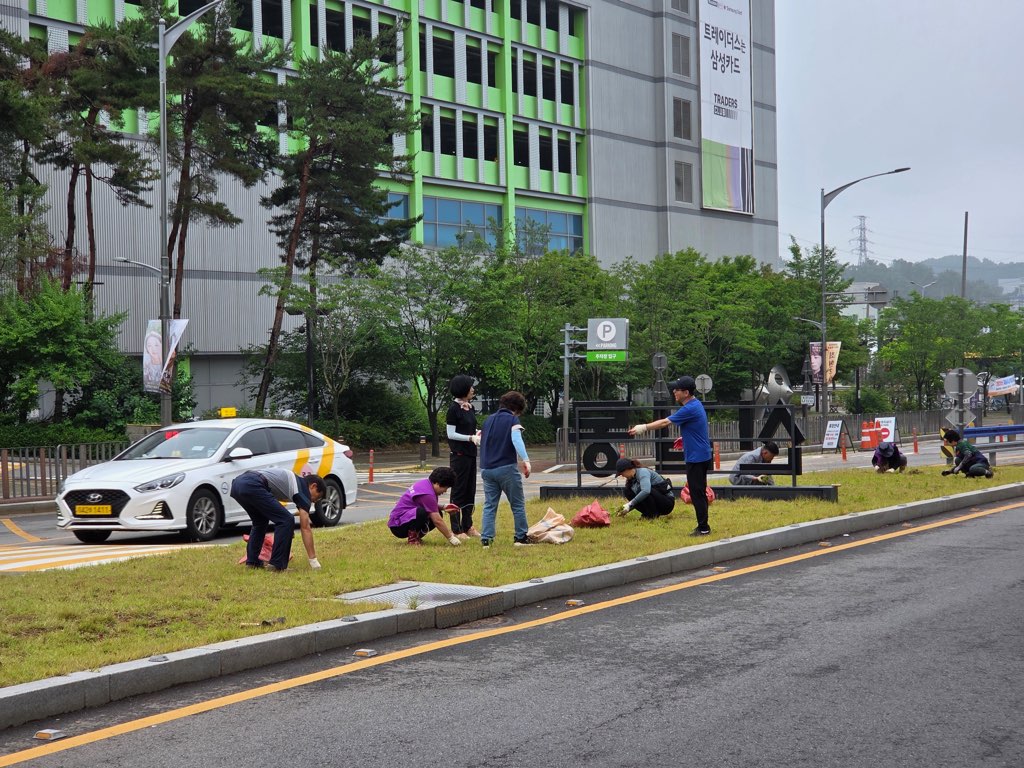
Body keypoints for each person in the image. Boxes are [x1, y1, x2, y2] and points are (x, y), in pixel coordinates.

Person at [629, 375, 713, 536]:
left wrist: (642, 428)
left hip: (697, 457)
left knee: (697, 493)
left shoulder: (689, 408)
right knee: (698, 491)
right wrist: (686, 438)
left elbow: (664, 422)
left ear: (686, 392)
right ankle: (703, 526)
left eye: (677, 389)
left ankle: (703, 528)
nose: (674, 391)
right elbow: (699, 427)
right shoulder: (696, 405)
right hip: (700, 454)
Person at [229, 468, 325, 571]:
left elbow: (273, 505)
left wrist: (287, 531)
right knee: (286, 520)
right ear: (313, 486)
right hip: (253, 484)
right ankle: (277, 565)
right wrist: (313, 560)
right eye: (318, 496)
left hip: (238, 484)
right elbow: (305, 527)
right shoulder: (303, 490)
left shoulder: (294, 483)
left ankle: (252, 563)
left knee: (260, 521)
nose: (314, 501)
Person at [479, 390, 532, 547]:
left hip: (486, 469)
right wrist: (526, 460)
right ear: (516, 408)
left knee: (489, 505)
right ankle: (520, 537)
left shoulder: (488, 420)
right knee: (517, 504)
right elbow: (516, 440)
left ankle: (486, 539)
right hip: (506, 468)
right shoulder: (512, 420)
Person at [388, 467, 464, 547]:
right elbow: (437, 521)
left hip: (402, 520)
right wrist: (451, 538)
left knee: (436, 513)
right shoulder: (427, 494)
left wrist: (444, 507)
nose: (445, 491)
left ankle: (416, 537)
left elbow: (427, 504)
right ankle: (413, 540)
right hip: (398, 526)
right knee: (423, 513)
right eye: (445, 488)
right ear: (437, 483)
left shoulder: (425, 484)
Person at [445, 374, 481, 539]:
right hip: (459, 456)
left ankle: (468, 525)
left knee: (470, 490)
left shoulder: (471, 407)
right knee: (458, 491)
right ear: (463, 389)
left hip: (471, 454)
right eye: (470, 387)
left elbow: (470, 429)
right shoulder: (453, 409)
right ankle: (456, 529)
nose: (473, 389)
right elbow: (451, 434)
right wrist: (469, 438)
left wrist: (476, 434)